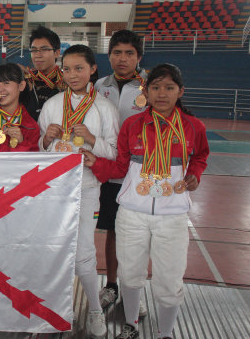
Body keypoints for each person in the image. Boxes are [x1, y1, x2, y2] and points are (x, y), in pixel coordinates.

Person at [81, 64, 210, 339]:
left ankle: (165, 333)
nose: (161, 93)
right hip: (132, 214)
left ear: (180, 91)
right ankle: (130, 326)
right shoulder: (132, 125)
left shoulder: (193, 127)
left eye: (169, 87)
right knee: (129, 275)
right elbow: (119, 168)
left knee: (169, 281)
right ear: (146, 91)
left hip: (172, 217)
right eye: (155, 87)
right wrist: (96, 163)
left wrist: (195, 175)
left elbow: (200, 157)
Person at [38, 45, 119, 338]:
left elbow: (113, 152)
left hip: (86, 186)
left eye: (79, 68)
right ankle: (57, 308)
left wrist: (92, 140)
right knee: (53, 248)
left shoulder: (105, 108)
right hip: (54, 189)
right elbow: (40, 148)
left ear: (92, 70)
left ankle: (95, 310)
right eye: (67, 69)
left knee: (84, 250)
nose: (72, 75)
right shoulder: (52, 105)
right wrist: (46, 140)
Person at [94, 29, 148, 314]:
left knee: (138, 233)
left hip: (140, 173)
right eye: (117, 52)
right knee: (113, 231)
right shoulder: (99, 86)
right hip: (110, 173)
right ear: (109, 55)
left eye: (129, 53)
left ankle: (132, 289)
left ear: (139, 57)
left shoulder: (150, 86)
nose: (122, 58)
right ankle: (112, 285)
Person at [19, 25, 67, 121]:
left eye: (44, 49)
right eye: (34, 50)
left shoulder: (66, 82)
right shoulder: (24, 80)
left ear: (57, 53)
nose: (37, 55)